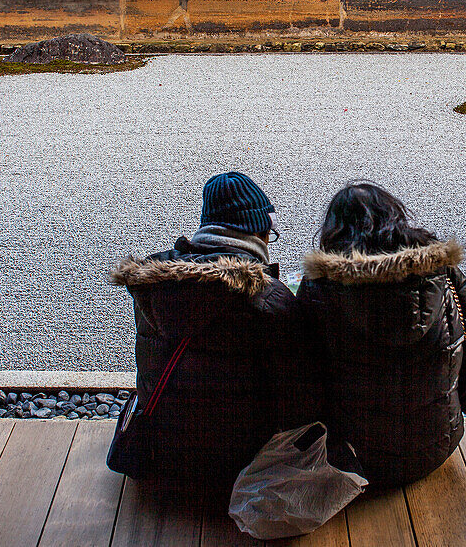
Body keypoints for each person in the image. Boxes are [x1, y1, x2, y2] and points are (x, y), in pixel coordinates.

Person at [109, 172, 317, 492]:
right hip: (237, 470)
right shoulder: (272, 301)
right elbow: (298, 398)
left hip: (160, 455)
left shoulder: (153, 283)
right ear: (257, 234)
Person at [298, 182, 466, 488]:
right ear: (396, 219)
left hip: (352, 459)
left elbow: (302, 380)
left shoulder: (320, 288)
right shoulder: (441, 273)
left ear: (334, 231)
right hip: (437, 446)